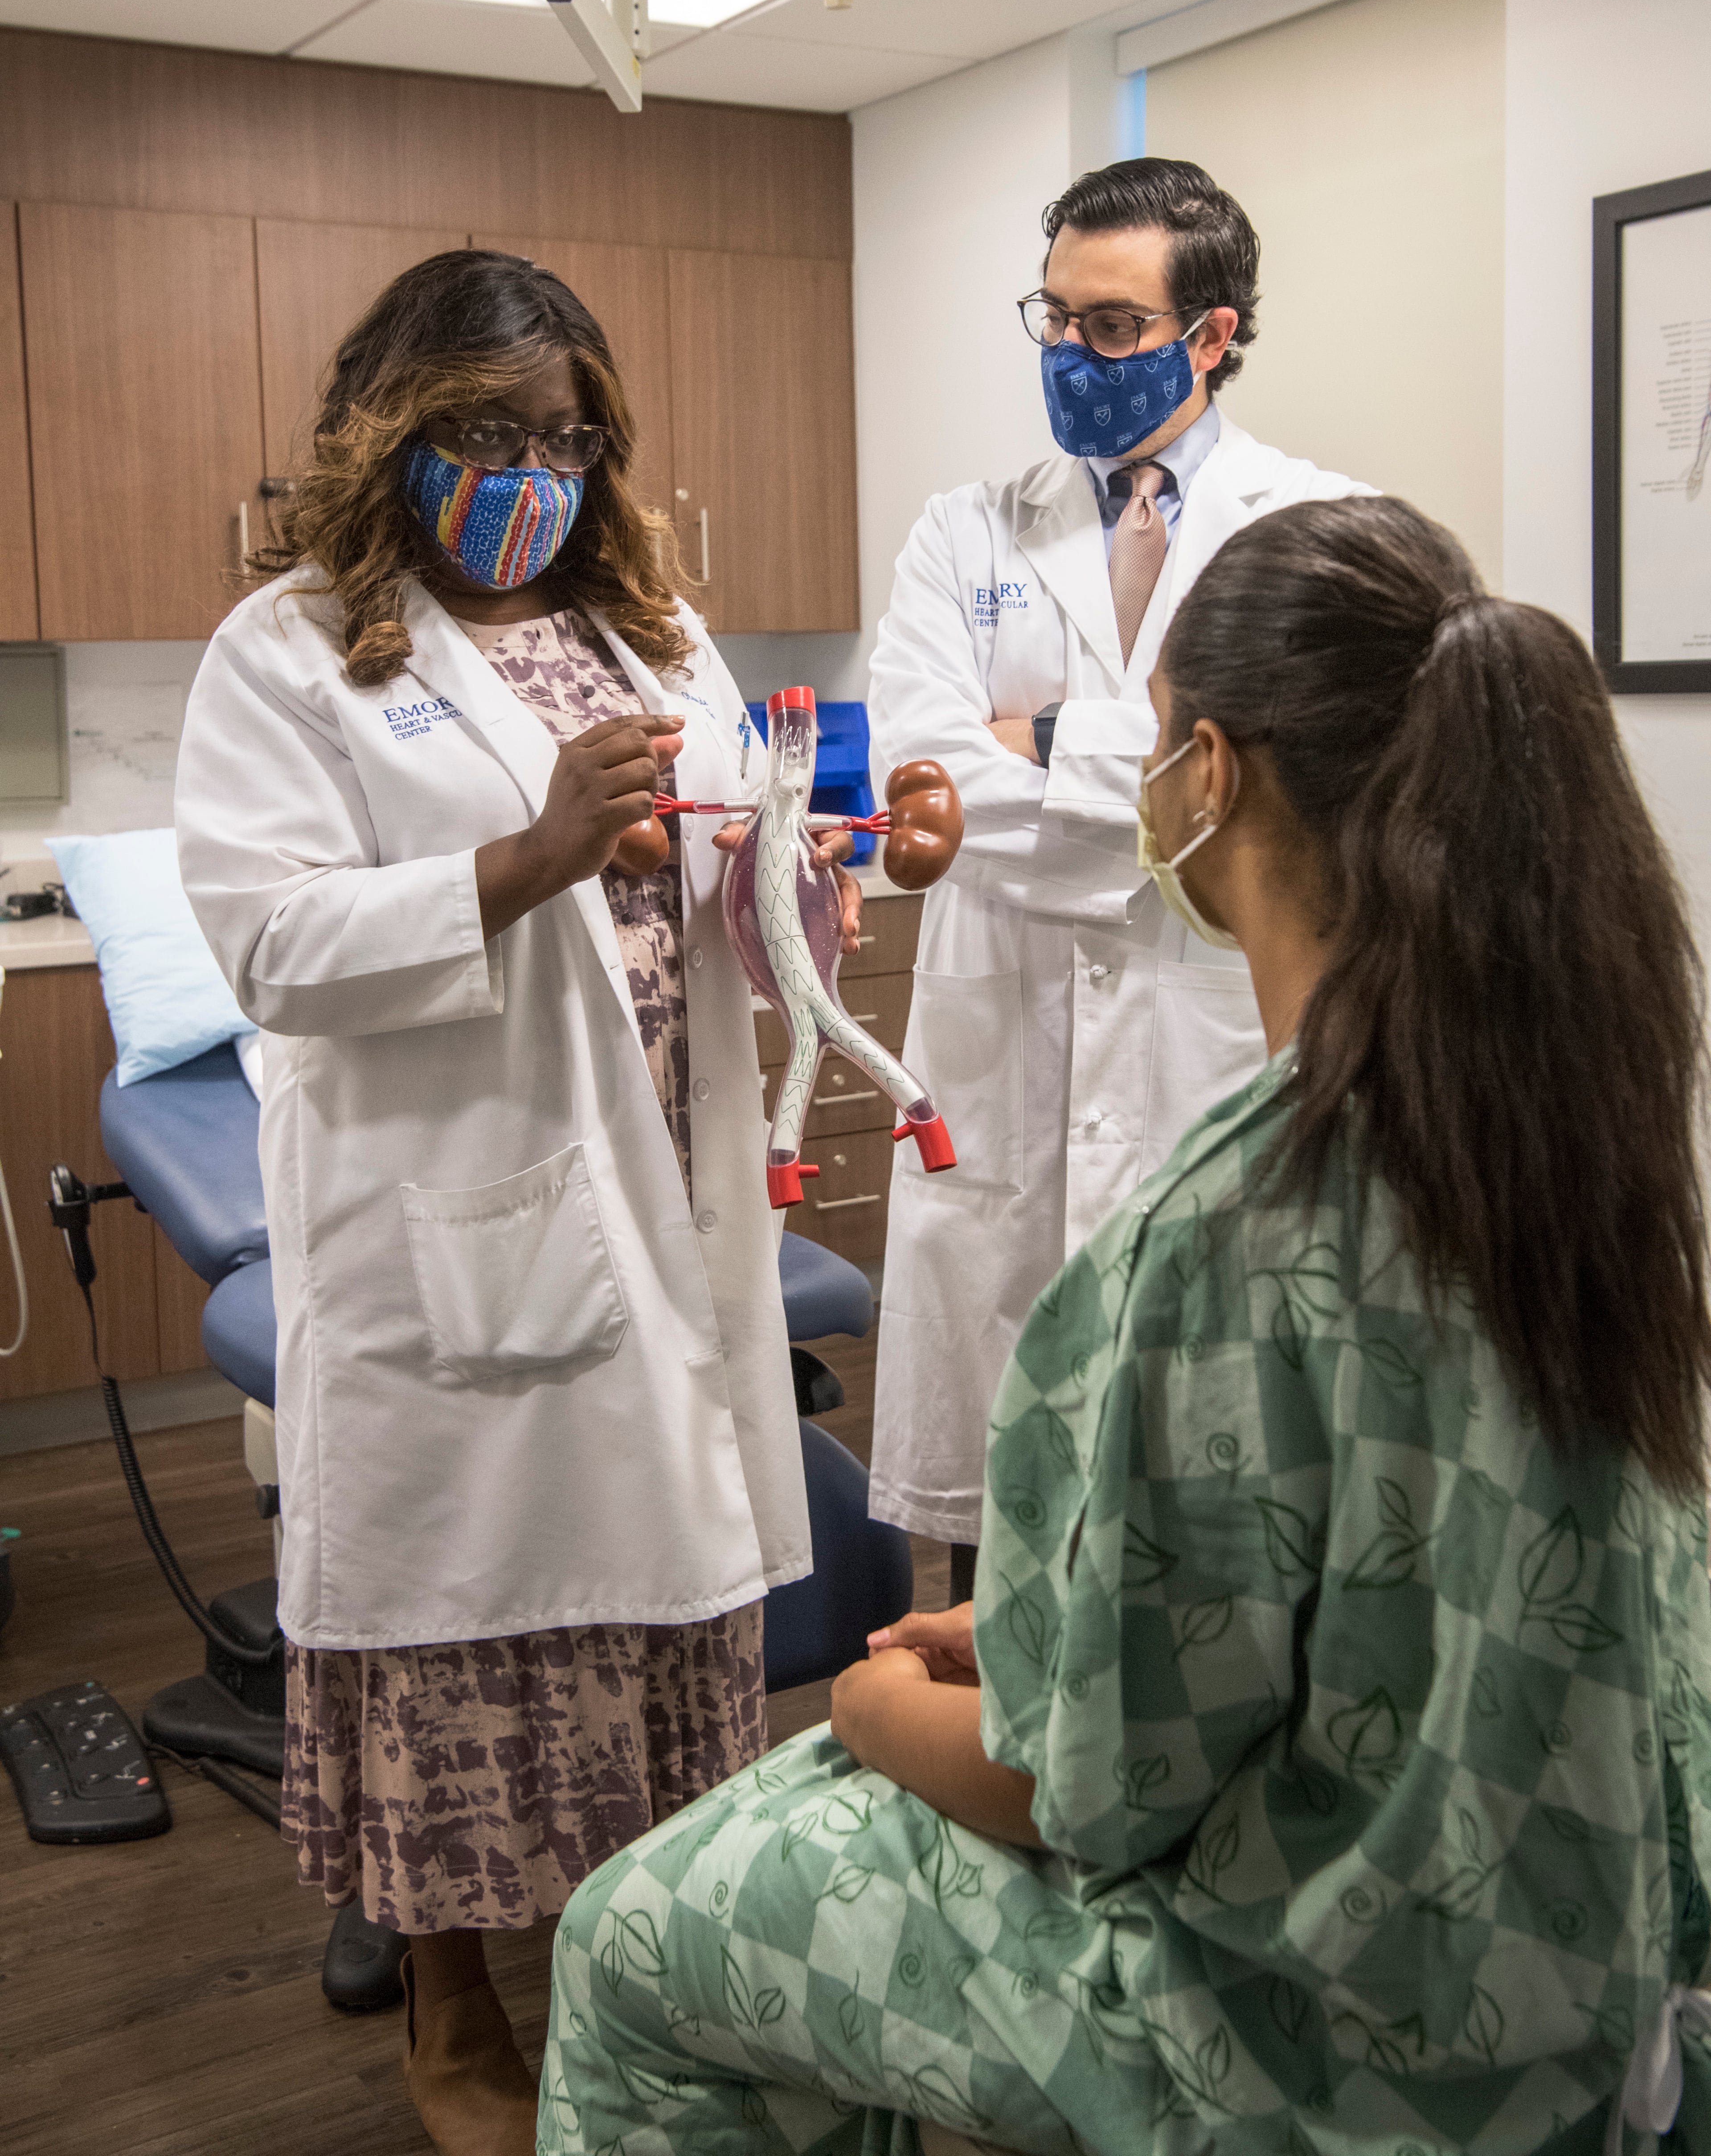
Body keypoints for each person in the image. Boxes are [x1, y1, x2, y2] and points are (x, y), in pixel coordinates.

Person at [535, 495, 1711, 2156]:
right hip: (1587, 1969)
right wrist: (1043, 1635)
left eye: (1149, 742)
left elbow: (1087, 1797)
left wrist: (870, 1711)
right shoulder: (1582, 1132)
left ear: (1207, 775)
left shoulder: (1235, 1228)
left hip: (1331, 2040)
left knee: (633, 1936)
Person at [176, 250, 859, 2156]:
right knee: (461, 1628)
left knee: (664, 1607)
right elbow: (271, 943)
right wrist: (530, 854)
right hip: (462, 1207)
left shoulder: (655, 631)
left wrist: (823, 869)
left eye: (567, 439)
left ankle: (653, 1967)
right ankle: (452, 2001)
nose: (533, 476)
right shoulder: (297, 646)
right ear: (389, 430)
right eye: (488, 434)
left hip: (669, 1185)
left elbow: (731, 883)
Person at [867, 155, 1371, 1587]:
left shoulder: (1316, 530)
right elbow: (924, 772)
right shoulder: (964, 530)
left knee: (1213, 1529)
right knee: (998, 1552)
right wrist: (1172, 773)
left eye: (1111, 327)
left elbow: (1297, 780)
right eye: (1055, 317)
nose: (1070, 352)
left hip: (1204, 1049)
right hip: (1004, 1061)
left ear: (1211, 335)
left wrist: (1037, 740)